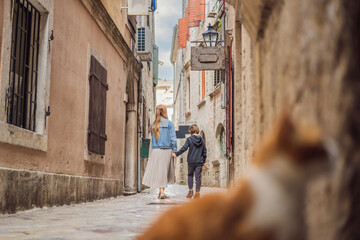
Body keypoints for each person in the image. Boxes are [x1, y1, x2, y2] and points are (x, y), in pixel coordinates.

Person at [142, 105, 177, 199]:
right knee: (164, 171)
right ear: (165, 112)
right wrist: (174, 150)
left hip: (156, 150)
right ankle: (162, 192)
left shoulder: (154, 124)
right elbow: (173, 138)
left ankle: (161, 192)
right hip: (167, 149)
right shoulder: (169, 123)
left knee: (159, 171)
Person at [172, 124, 207, 199]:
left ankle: (190, 191)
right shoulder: (201, 139)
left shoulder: (189, 139)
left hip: (191, 161)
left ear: (191, 131)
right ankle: (197, 193)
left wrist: (177, 154)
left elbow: (184, 148)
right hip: (199, 161)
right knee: (198, 177)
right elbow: (204, 151)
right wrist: (203, 160)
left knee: (190, 175)